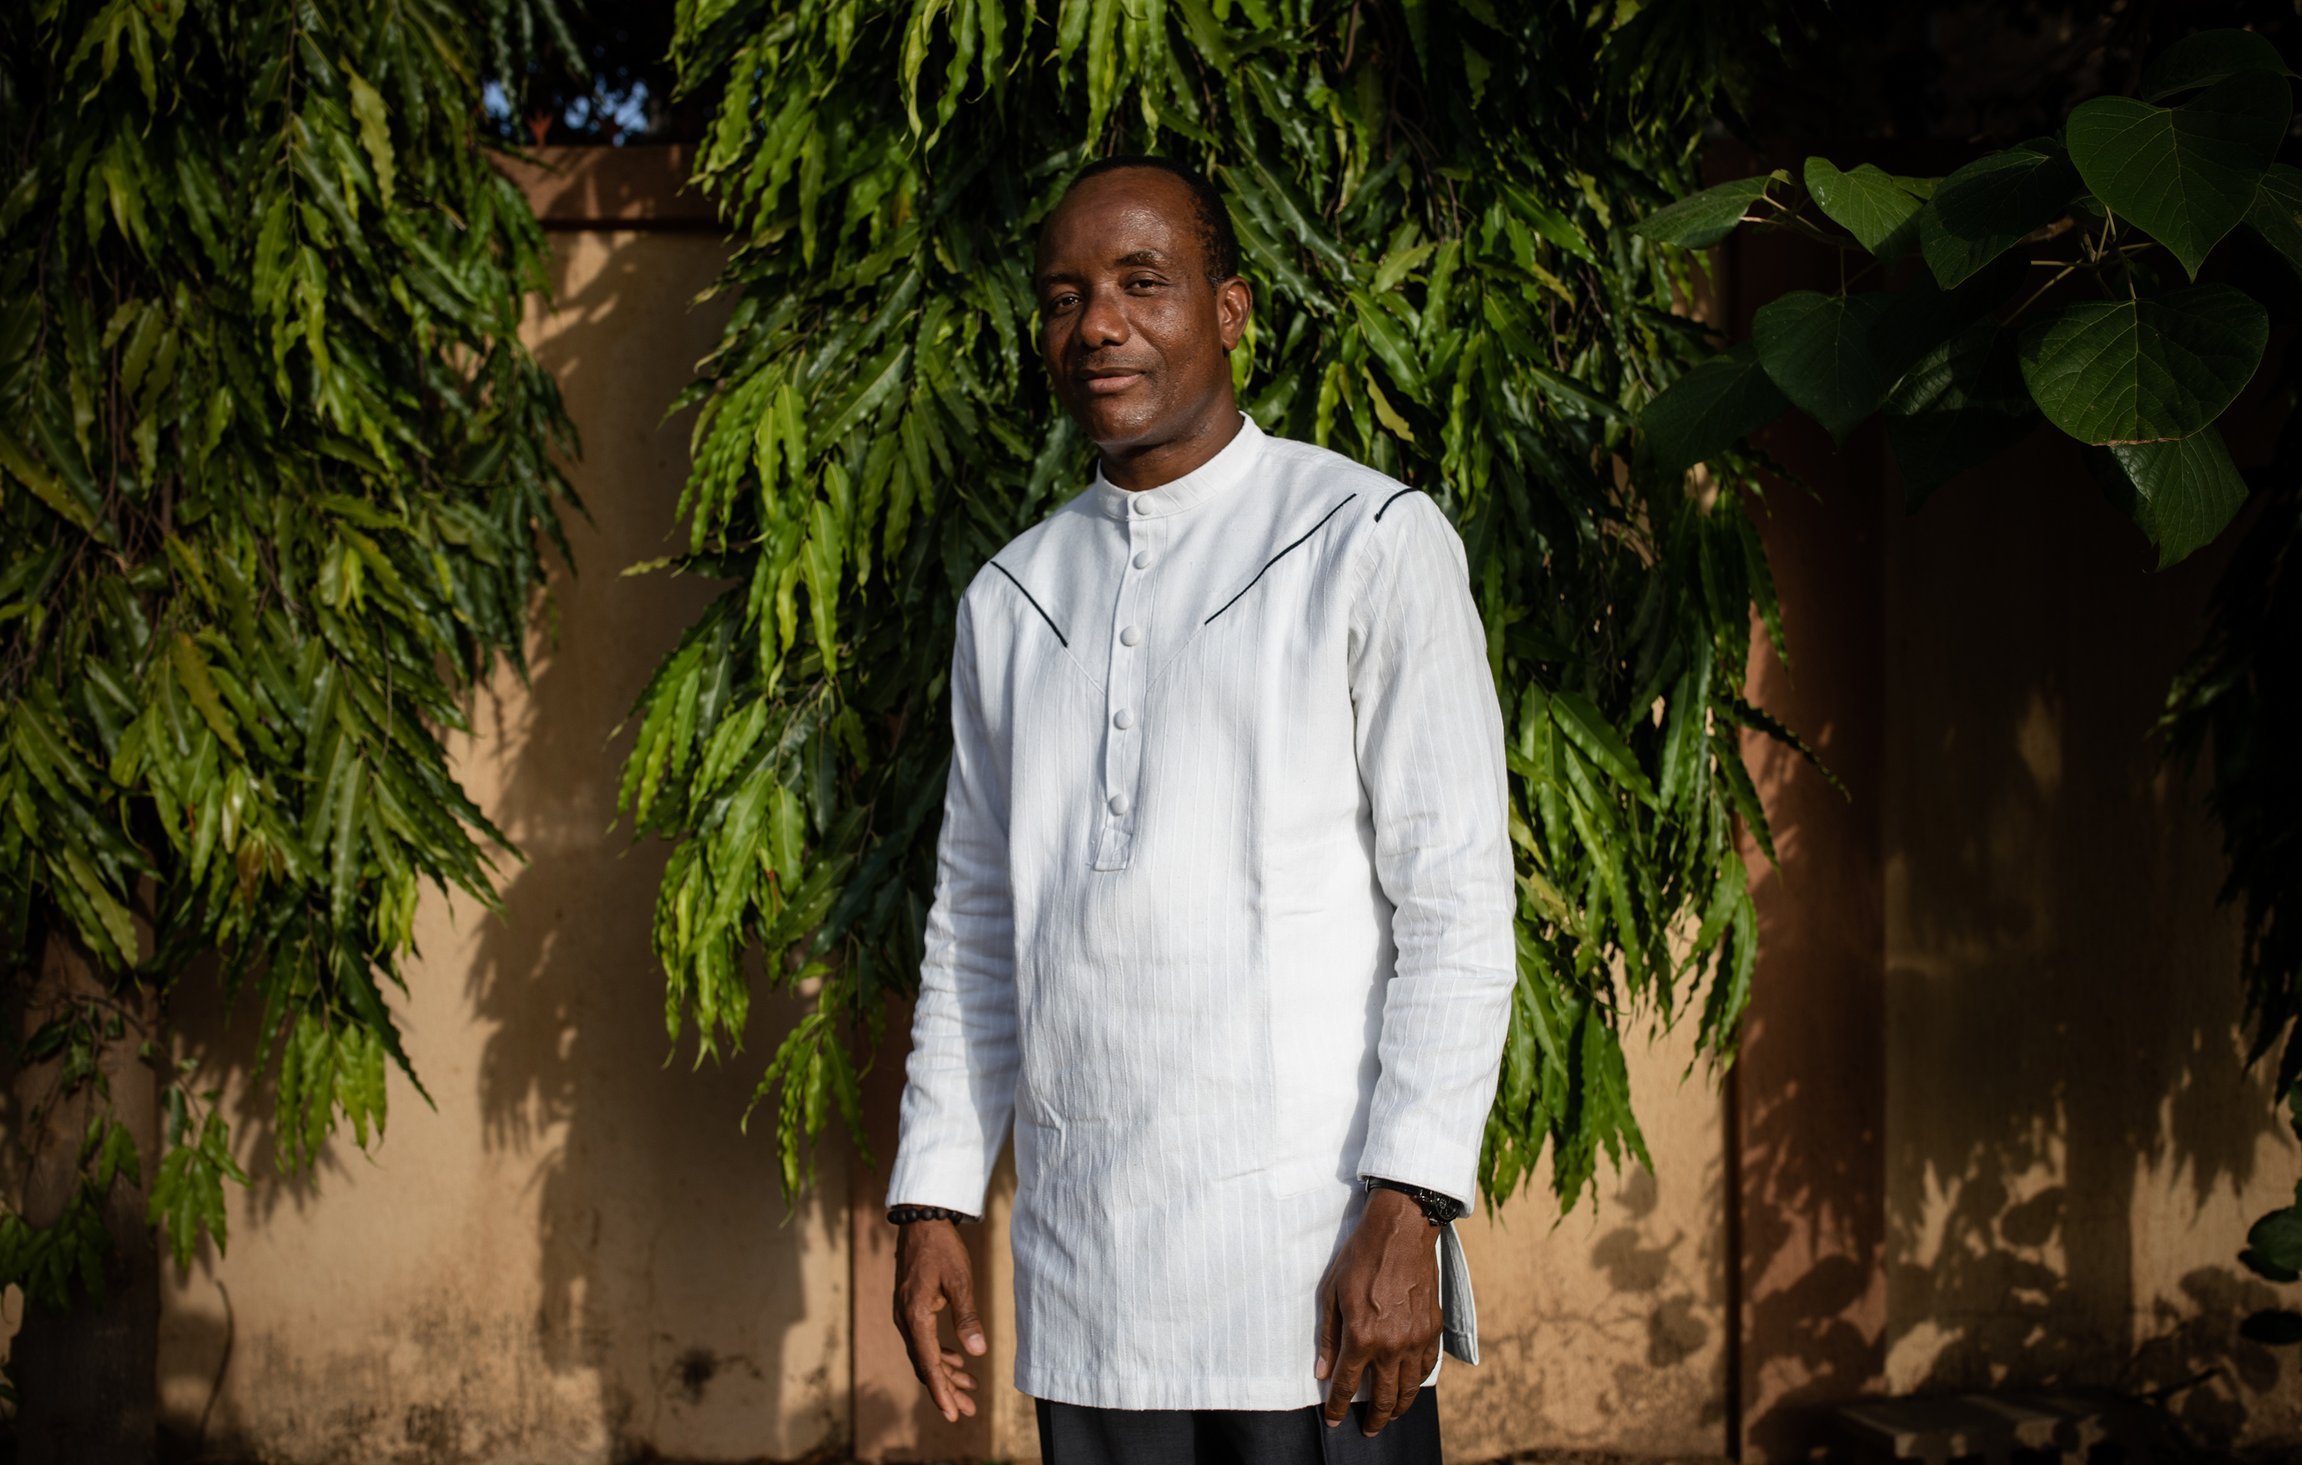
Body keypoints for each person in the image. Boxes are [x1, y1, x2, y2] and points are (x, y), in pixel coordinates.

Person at [882, 153, 1516, 1465]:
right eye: (1063, 296)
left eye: (1140, 283)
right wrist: (933, 1196)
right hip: (1089, 1275)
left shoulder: (1366, 539)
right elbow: (977, 926)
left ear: (1228, 310)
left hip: (1317, 1268)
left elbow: (1455, 903)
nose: (1097, 324)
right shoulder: (1013, 598)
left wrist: (1412, 1203)